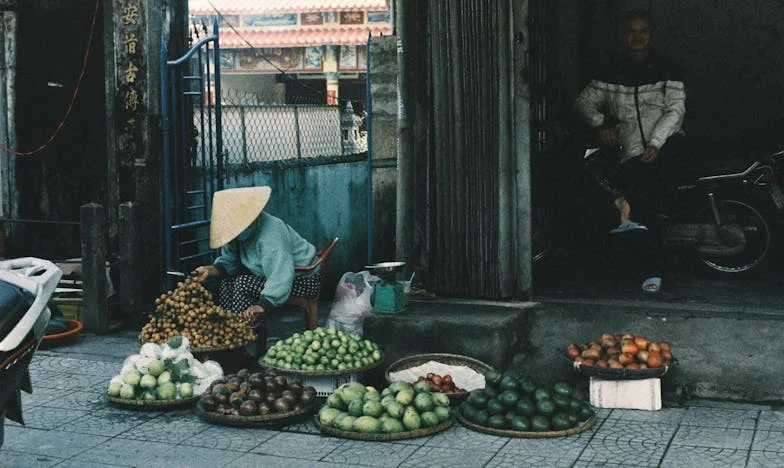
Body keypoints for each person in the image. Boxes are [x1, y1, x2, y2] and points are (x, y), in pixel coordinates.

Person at [574, 9, 686, 293]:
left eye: (643, 31)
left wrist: (656, 143)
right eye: (631, 32)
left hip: (665, 146)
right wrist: (601, 125)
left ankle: (653, 271)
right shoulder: (612, 69)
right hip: (628, 151)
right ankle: (625, 222)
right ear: (625, 37)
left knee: (647, 201)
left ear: (652, 34)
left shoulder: (666, 69)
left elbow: (675, 110)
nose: (637, 37)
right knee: (588, 168)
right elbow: (584, 101)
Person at [193, 186, 321, 352]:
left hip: (302, 279)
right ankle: (229, 333)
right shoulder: (235, 234)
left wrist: (263, 304)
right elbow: (229, 263)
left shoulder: (271, 234)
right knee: (226, 282)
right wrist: (209, 270)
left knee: (242, 284)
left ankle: (248, 345)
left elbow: (281, 274)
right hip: (273, 278)